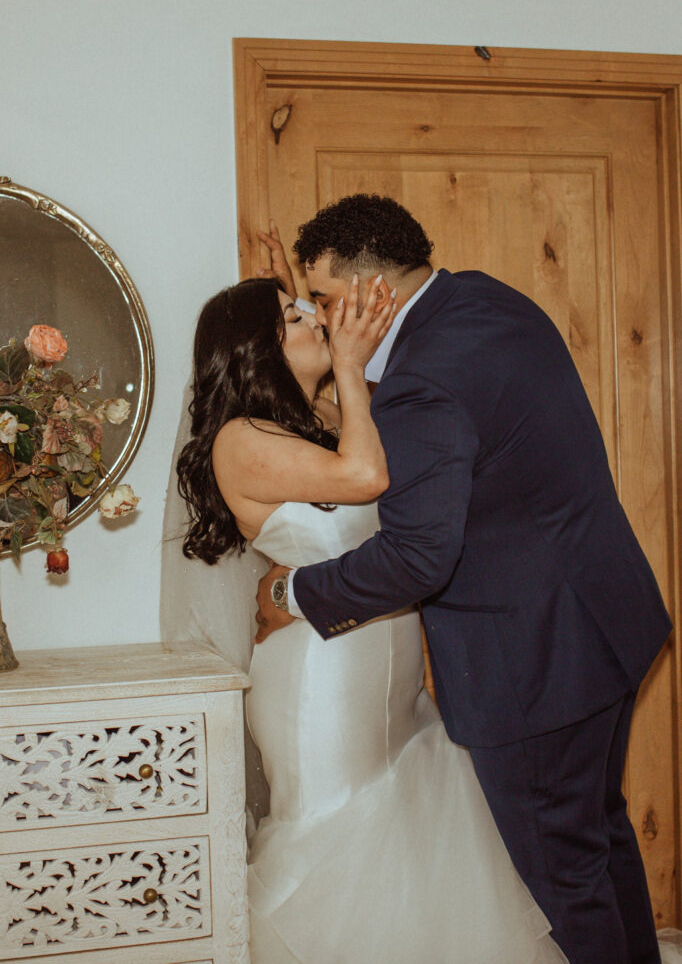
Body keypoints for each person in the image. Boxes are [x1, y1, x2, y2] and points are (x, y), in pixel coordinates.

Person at [254, 194, 674, 964]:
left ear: (374, 293)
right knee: (600, 838)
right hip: (605, 620)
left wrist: (294, 593)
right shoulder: (483, 300)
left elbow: (418, 558)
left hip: (535, 661)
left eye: (322, 298)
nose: (319, 316)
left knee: (559, 878)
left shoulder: (423, 381)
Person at [174, 269, 569, 963]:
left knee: (408, 844)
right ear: (256, 351)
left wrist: (330, 329)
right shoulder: (239, 437)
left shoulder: (328, 418)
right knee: (338, 839)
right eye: (293, 318)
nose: (314, 319)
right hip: (318, 682)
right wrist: (348, 365)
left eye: (307, 308)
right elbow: (366, 480)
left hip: (390, 670)